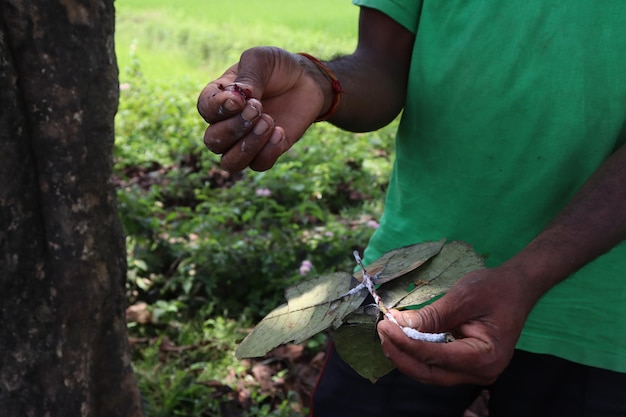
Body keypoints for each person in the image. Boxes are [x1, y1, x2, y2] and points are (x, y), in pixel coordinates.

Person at [197, 1, 626, 416]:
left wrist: (527, 277)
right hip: (410, 283)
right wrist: (319, 82)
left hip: (599, 322)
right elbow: (383, 63)